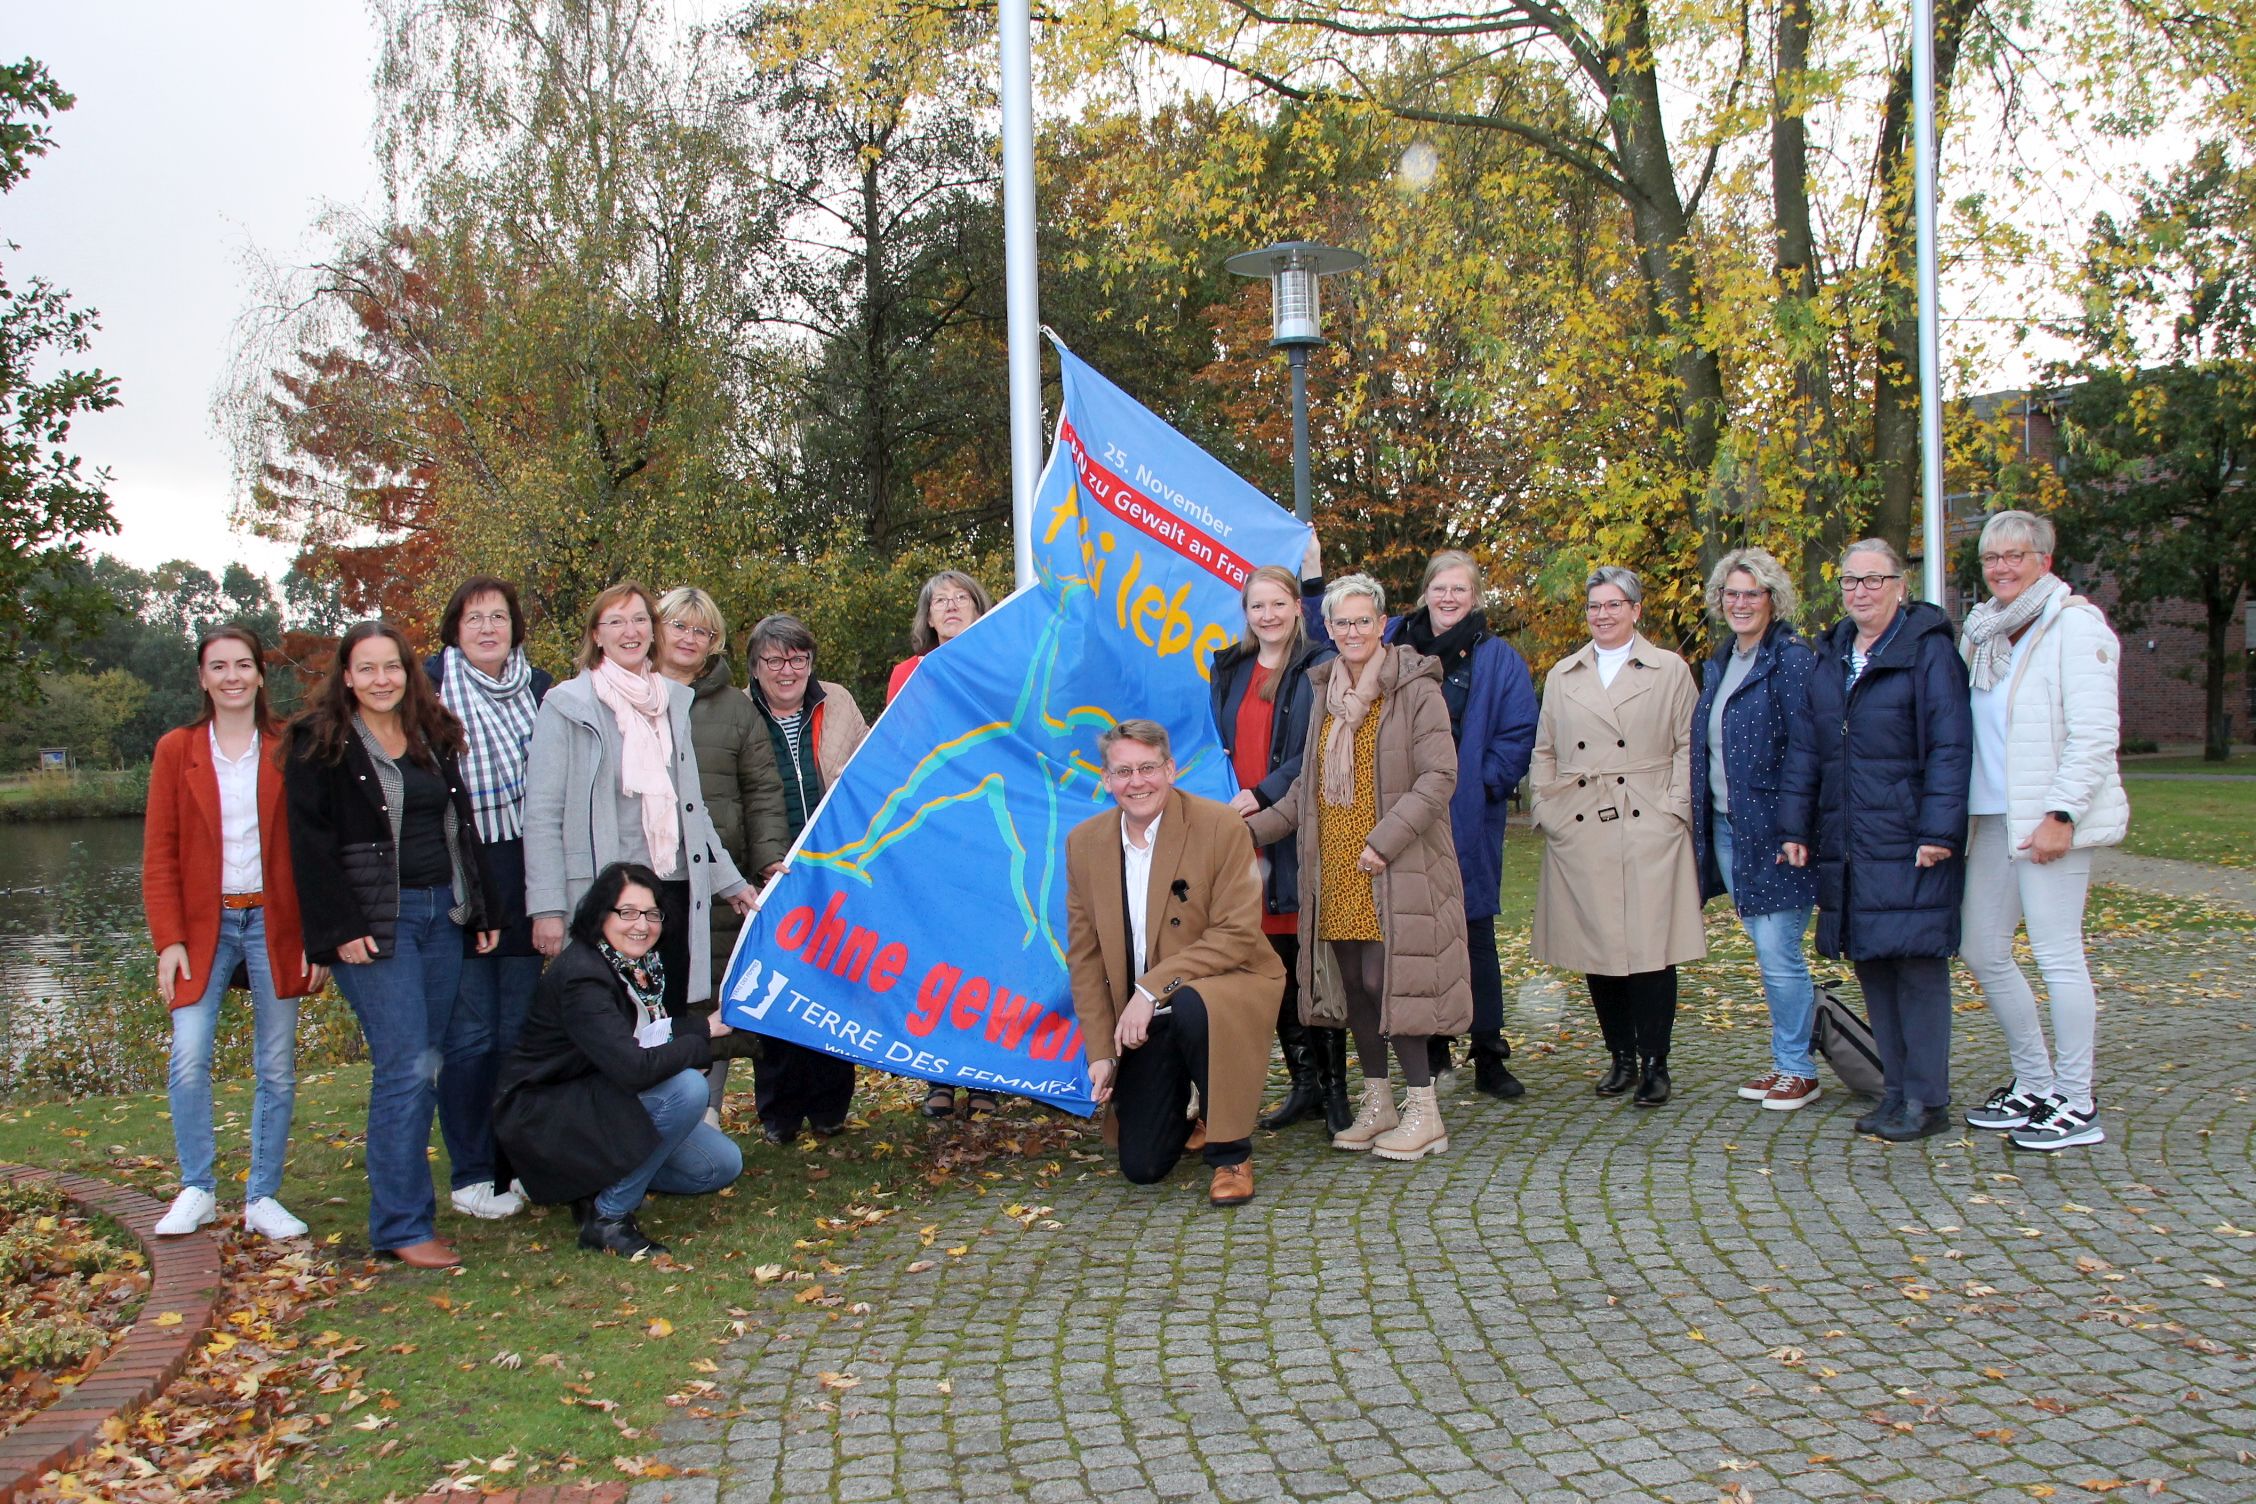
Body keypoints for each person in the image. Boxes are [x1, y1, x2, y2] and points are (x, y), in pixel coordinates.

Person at [286, 621, 501, 1269]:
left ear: (410, 673)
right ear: (346, 676)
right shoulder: (320, 742)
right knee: (406, 1065)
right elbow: (309, 846)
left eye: (393, 667)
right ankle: (402, 1225)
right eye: (367, 668)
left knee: (430, 1061)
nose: (382, 679)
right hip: (377, 924)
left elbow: (459, 828)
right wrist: (337, 929)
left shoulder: (431, 733)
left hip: (441, 914)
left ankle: (408, 1213)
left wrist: (478, 907)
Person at [1247, 574, 1472, 1162]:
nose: (1352, 631)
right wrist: (1244, 834)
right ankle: (1379, 1103)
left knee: (1388, 981)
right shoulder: (1326, 691)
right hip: (1337, 865)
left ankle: (1425, 1111)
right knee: (1353, 988)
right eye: (1341, 622)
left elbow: (1438, 777)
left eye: (1362, 621)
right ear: (1328, 627)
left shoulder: (1415, 687)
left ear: (1382, 624)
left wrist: (1384, 842)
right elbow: (1306, 789)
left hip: (1396, 863)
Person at [1779, 539, 1972, 1142]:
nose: (1860, 592)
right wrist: (1796, 826)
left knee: (1916, 967)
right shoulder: (1832, 655)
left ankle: (1927, 1100)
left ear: (1899, 585)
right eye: (1850, 581)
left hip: (1909, 836)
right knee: (1873, 965)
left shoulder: (1928, 651)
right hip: (1850, 839)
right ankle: (1895, 1092)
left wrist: (1939, 830)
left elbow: (1951, 745)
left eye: (1873, 580)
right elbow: (1808, 748)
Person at [1955, 510, 2129, 1151]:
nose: (2001, 568)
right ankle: (2035, 1081)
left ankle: (2077, 1100)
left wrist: (2063, 815)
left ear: (2044, 562)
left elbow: (2095, 735)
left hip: (2047, 819)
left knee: (2057, 955)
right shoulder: (1984, 633)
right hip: (1993, 816)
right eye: (1991, 557)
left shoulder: (2074, 627)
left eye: (2015, 556)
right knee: (1981, 948)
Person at [143, 625, 324, 1241]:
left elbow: (310, 848)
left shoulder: (288, 746)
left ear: (259, 674)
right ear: (202, 677)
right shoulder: (177, 750)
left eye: (243, 665)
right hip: (203, 925)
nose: (232, 677)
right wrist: (168, 940)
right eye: (218, 667)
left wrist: (314, 933)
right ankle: (197, 1187)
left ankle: (262, 1197)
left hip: (274, 920)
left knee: (275, 1064)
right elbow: (160, 854)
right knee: (189, 1056)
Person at [1066, 721, 1285, 1206]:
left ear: (1170, 770)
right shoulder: (1084, 844)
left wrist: (1149, 990)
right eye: (1123, 771)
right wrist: (1101, 1051)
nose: (1137, 782)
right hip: (1149, 1018)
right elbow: (1084, 957)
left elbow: (1236, 933)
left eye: (1147, 768)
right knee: (1142, 1166)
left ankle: (1231, 1152)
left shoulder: (1220, 826)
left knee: (1191, 1005)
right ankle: (1192, 1111)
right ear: (1106, 779)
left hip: (1226, 986)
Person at [493, 863, 758, 1257]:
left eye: (652, 914)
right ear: (600, 914)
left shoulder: (635, 966)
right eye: (628, 912)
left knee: (719, 1164)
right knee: (686, 1088)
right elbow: (634, 1068)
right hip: (546, 1114)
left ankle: (591, 1184)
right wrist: (698, 1045)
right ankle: (608, 1216)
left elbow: (646, 1033)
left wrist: (706, 1026)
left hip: (593, 1097)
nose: (642, 925)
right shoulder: (584, 976)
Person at [523, 582, 755, 1026]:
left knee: (667, 1020)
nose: (629, 632)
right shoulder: (567, 705)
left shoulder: (672, 702)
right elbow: (542, 816)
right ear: (596, 634)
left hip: (673, 891)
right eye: (616, 621)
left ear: (653, 630)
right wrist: (548, 908)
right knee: (610, 1023)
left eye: (639, 620)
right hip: (606, 895)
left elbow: (692, 809)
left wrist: (730, 881)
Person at [1527, 566, 1705, 1107]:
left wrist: (1674, 810)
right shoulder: (1564, 673)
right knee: (1598, 947)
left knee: (1651, 948)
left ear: (1635, 610)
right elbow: (1544, 749)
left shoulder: (1670, 669)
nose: (1602, 615)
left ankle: (1655, 1062)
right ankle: (1620, 1056)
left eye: (1613, 605)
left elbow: (1688, 745)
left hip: (1649, 820)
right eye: (1594, 606)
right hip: (1583, 823)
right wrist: (1547, 810)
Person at [1388, 550, 1539, 1100]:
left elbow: (1519, 730)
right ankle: (1431, 1049)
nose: (1448, 597)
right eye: (1440, 587)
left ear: (1474, 596)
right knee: (1413, 933)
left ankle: (1488, 1051)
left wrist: (1484, 781)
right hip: (1401, 811)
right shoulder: (1393, 643)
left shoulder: (1496, 658)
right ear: (1425, 591)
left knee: (1473, 933)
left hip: (1465, 814)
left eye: (1460, 589)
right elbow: (1330, 639)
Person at [427, 576, 553, 1222]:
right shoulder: (428, 689)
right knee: (470, 1037)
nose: (486, 628)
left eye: (498, 616)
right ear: (455, 628)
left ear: (514, 627)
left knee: (515, 1033)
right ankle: (472, 1170)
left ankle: (513, 1162)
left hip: (528, 877)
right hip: (464, 883)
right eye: (473, 617)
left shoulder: (541, 689)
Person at [1207, 563, 1345, 1133]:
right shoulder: (1229, 668)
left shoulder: (1319, 667)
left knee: (1312, 963)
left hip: (1295, 827)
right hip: (1240, 835)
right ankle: (1303, 1085)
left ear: (1297, 608)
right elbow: (1214, 743)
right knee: (1273, 966)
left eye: (1278, 604)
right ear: (1246, 613)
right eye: (1257, 606)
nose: (1268, 615)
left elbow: (1316, 748)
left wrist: (1263, 793)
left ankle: (1335, 1092)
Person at [1689, 547, 1822, 1111]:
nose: (1740, 603)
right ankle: (1786, 1059)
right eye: (1732, 593)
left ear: (1773, 599)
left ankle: (1798, 1068)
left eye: (1752, 594)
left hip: (1777, 830)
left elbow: (1807, 749)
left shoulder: (1791, 660)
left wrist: (1797, 827)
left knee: (1778, 949)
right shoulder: (1723, 661)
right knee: (1767, 949)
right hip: (1729, 826)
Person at [655, 587, 789, 1132]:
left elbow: (762, 791)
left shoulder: (736, 709)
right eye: (679, 626)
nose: (690, 639)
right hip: (647, 874)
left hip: (717, 876)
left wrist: (769, 859)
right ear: (657, 628)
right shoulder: (630, 695)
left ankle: (705, 1111)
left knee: (707, 993)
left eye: (702, 631)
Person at [744, 613, 874, 1132]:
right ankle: (779, 1111)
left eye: (798, 659)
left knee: (833, 988)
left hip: (834, 868)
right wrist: (755, 858)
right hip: (771, 870)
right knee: (777, 989)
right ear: (755, 667)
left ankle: (829, 1107)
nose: (788, 670)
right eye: (775, 660)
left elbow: (869, 764)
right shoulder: (740, 712)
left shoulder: (837, 701)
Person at [886, 570, 992, 703]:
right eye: (940, 600)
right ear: (929, 618)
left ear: (978, 613)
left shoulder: (996, 666)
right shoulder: (906, 674)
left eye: (961, 597)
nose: (951, 607)